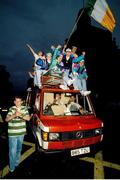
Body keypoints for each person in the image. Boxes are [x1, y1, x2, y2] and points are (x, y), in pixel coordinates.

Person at [5, 95, 30, 172]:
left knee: (19, 149)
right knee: (12, 151)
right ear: (14, 102)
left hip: (21, 133)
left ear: (22, 102)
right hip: (12, 134)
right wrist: (14, 115)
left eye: (19, 101)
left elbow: (28, 118)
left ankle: (16, 162)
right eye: (16, 101)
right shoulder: (11, 109)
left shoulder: (24, 109)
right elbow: (6, 119)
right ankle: (12, 167)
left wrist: (21, 115)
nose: (17, 102)